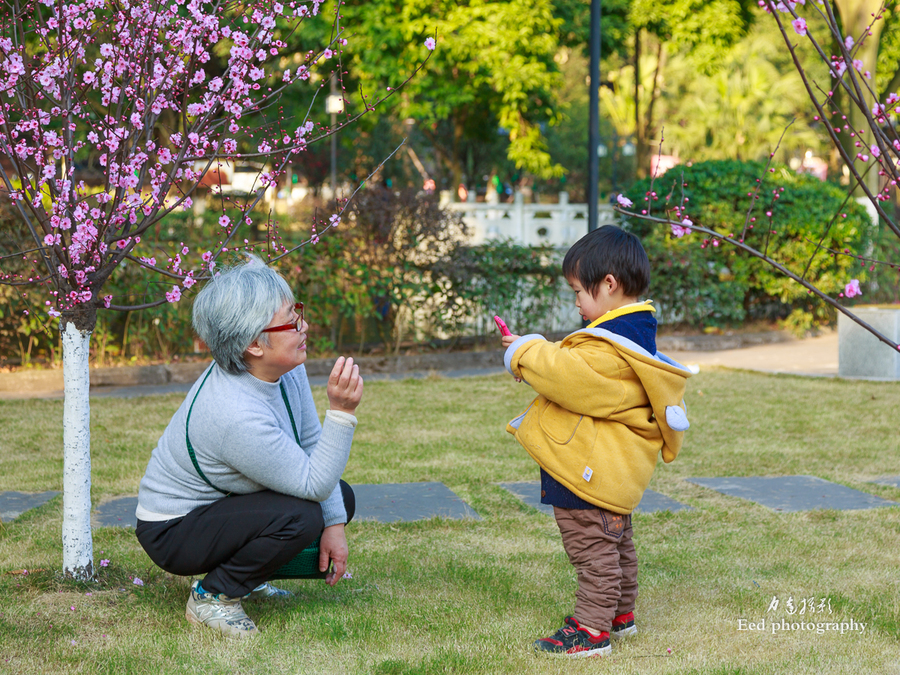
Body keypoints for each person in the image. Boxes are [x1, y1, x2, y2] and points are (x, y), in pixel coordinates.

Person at [134, 255, 363, 639]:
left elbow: (309, 444)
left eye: (298, 311)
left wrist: (335, 526)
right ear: (255, 344)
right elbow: (313, 485)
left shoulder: (283, 366)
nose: (303, 325)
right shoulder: (234, 413)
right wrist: (341, 413)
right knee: (304, 515)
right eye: (292, 320)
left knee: (339, 501)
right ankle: (213, 596)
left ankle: (250, 576)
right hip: (174, 530)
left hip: (218, 510)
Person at [499, 225, 692, 658]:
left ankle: (591, 630)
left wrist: (523, 351)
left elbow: (568, 376)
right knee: (616, 545)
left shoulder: (612, 347)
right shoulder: (631, 338)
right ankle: (620, 616)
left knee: (592, 552)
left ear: (609, 284)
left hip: (588, 477)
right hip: (607, 475)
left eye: (577, 292)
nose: (577, 303)